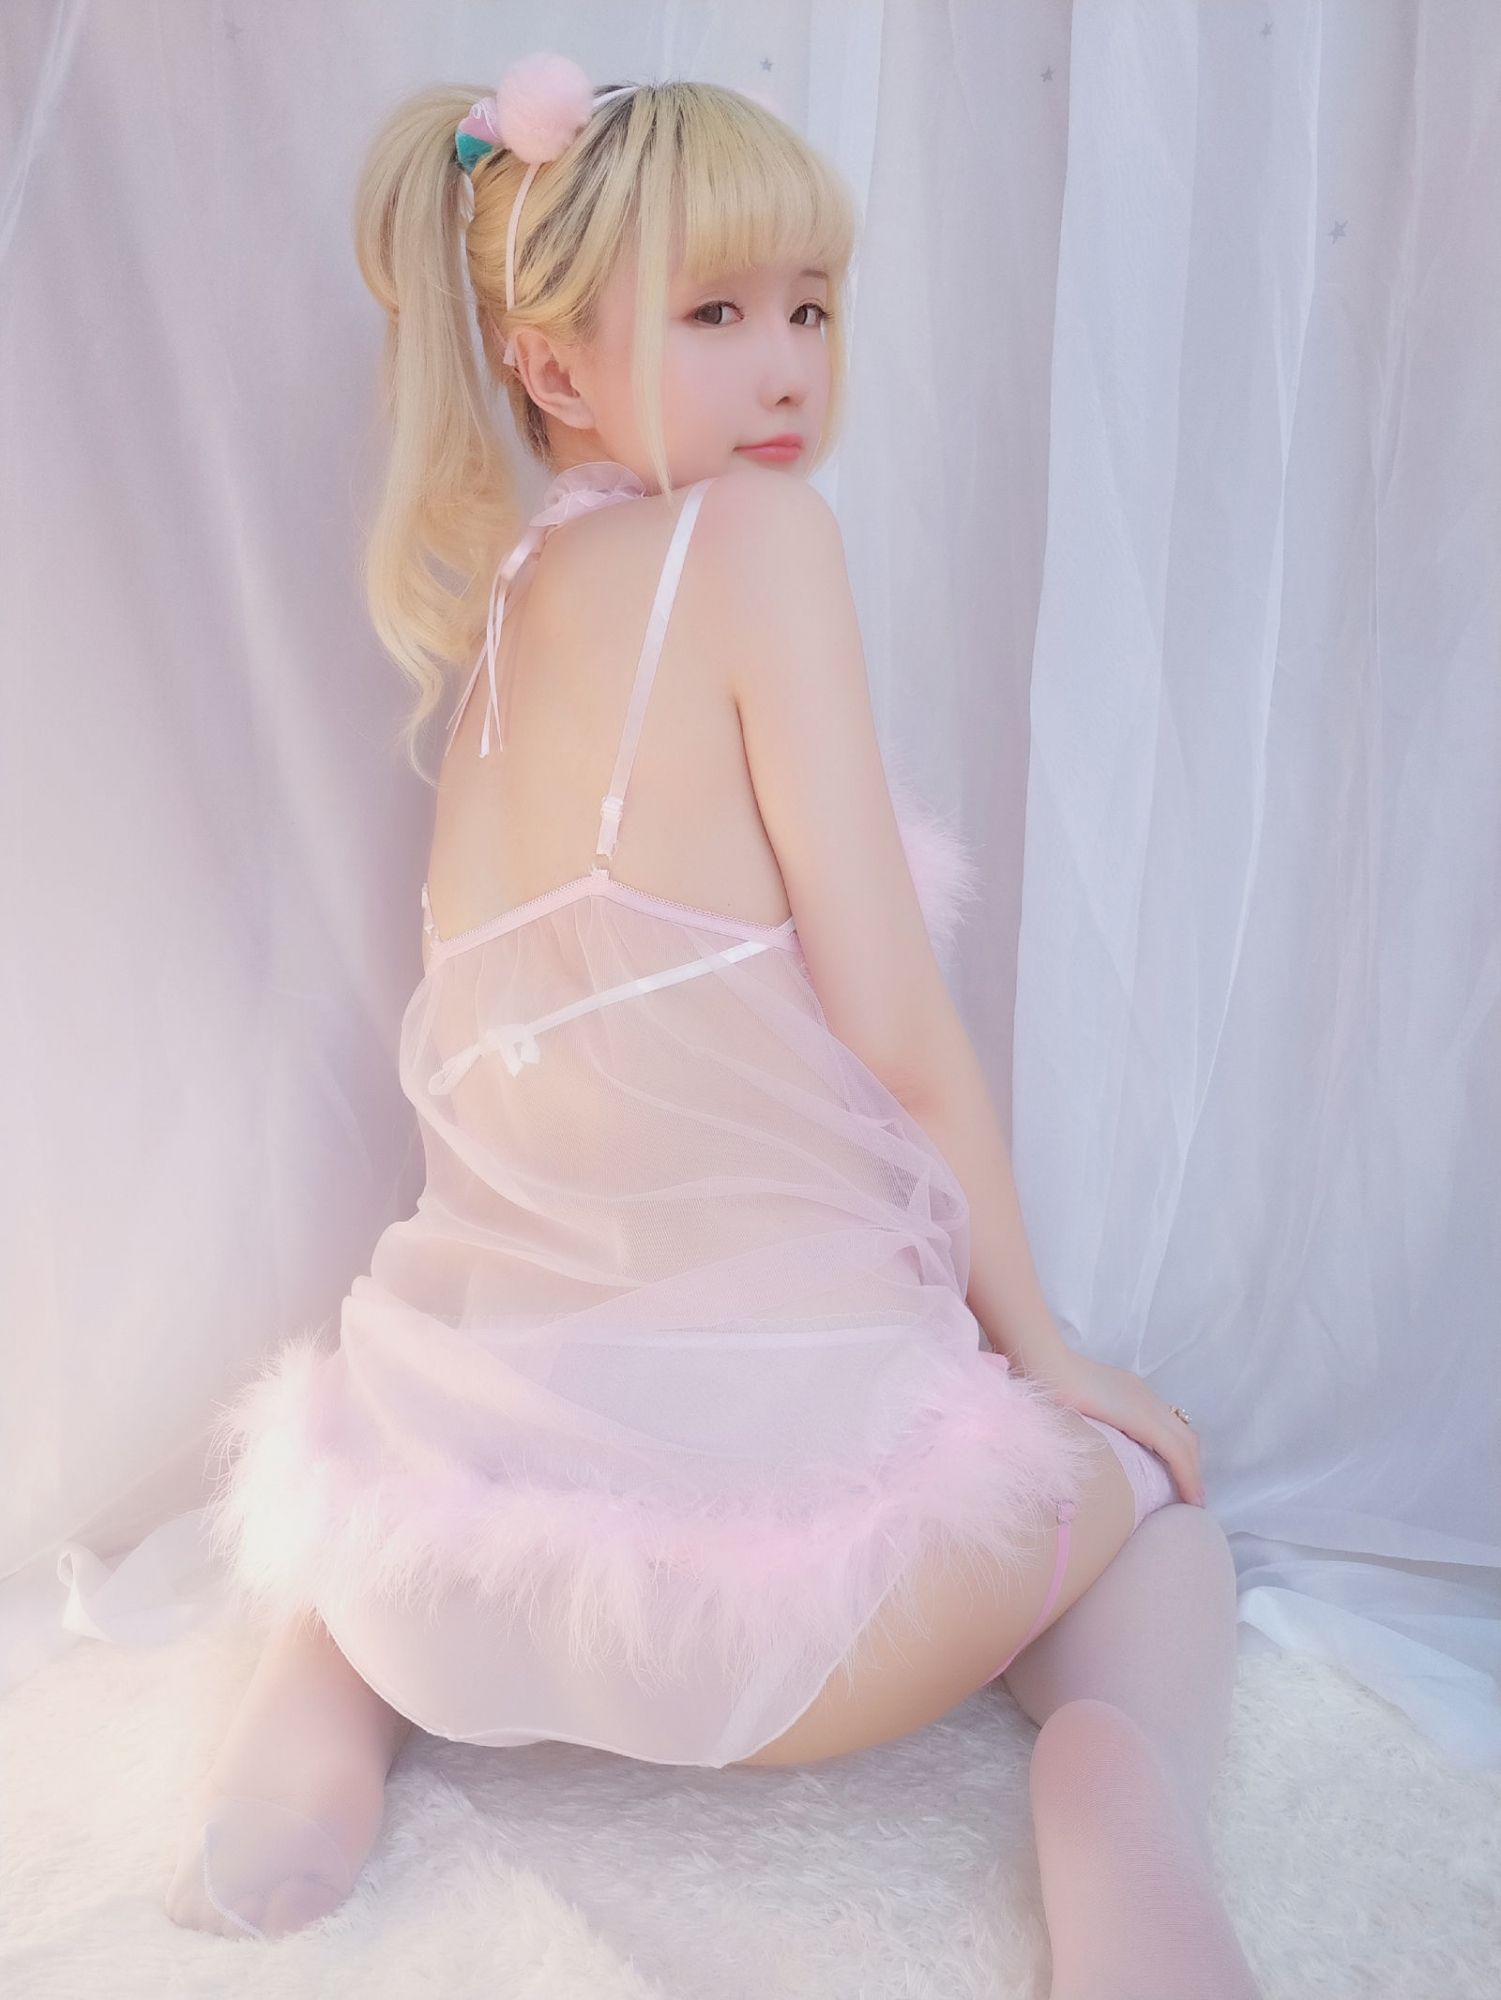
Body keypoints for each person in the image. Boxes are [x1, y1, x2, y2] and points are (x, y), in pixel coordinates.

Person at [165, 53, 1261, 1997]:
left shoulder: (512, 608)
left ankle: (328, 1686)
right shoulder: (758, 548)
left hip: (453, 1570)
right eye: (716, 314)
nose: (785, 371)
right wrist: (1048, 1353)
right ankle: (1120, 1786)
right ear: (554, 366)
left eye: (811, 311)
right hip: (789, 1625)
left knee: (431, 1477)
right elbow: (897, 1026)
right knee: (1157, 1508)